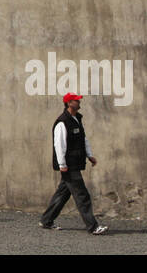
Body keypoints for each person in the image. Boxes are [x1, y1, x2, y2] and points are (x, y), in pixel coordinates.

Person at [39, 93, 108, 234]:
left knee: (62, 194)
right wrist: (62, 164)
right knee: (82, 195)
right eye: (76, 100)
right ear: (69, 103)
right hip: (69, 165)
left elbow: (83, 139)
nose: (79, 102)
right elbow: (59, 145)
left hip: (75, 162)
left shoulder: (76, 119)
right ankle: (93, 226)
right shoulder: (62, 122)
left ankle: (46, 220)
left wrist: (89, 155)